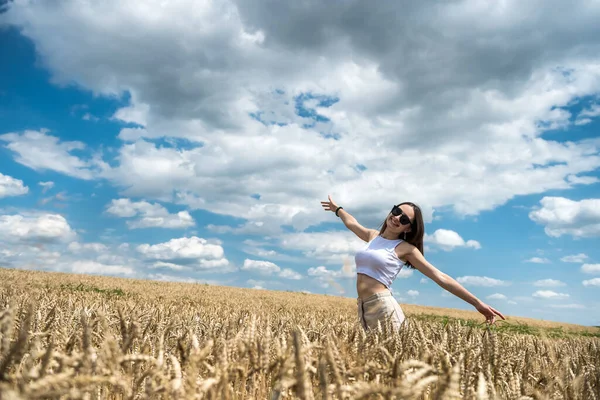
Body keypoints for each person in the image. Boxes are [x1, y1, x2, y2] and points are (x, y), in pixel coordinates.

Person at [321, 195, 505, 333]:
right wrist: (338, 210)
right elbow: (352, 223)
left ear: (408, 228)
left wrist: (477, 303)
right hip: (363, 306)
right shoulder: (372, 236)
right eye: (396, 212)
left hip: (383, 308)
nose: (397, 218)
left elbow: (439, 277)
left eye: (404, 220)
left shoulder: (406, 249)